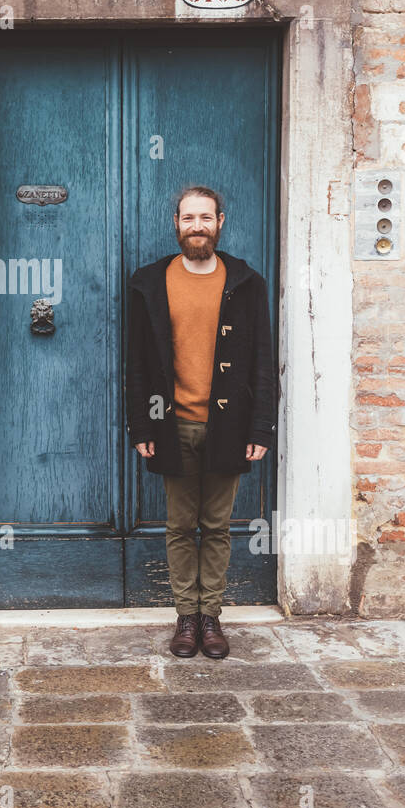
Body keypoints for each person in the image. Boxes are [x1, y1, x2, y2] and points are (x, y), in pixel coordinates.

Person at [125, 186, 276, 659]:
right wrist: (142, 427)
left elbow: (263, 361)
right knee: (178, 525)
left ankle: (210, 616)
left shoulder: (246, 281)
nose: (197, 226)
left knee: (216, 526)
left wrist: (261, 428)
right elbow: (137, 364)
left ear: (220, 222)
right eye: (188, 217)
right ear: (176, 223)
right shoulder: (148, 283)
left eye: (205, 218)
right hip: (174, 425)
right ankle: (184, 619)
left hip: (227, 426)